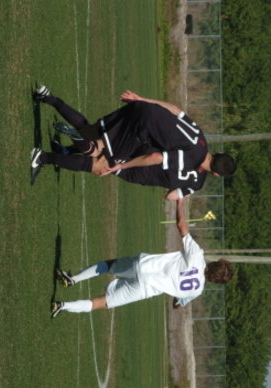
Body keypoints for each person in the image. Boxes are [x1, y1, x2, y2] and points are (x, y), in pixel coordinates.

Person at [31, 86, 236, 199]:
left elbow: (175, 109)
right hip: (140, 132)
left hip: (143, 111)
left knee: (91, 131)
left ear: (218, 153)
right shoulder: (192, 161)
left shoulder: (201, 138)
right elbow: (156, 157)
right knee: (100, 163)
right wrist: (123, 165)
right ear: (215, 174)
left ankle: (47, 97)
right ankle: (43, 157)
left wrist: (142, 100)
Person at [50, 198, 233, 318]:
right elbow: (178, 305)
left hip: (144, 266)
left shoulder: (197, 256)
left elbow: (181, 225)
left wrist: (179, 202)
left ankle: (73, 279)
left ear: (214, 264)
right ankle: (62, 306)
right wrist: (176, 293)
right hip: (145, 289)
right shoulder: (197, 291)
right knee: (102, 302)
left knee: (109, 265)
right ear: (214, 281)